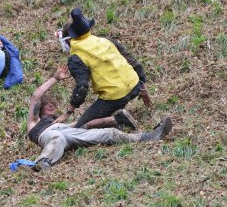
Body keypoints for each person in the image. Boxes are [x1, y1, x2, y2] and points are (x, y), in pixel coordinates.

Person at [26, 65, 172, 171]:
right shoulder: (35, 123)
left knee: (109, 133)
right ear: (41, 109)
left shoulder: (59, 123)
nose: (52, 107)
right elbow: (36, 96)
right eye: (48, 105)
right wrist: (55, 78)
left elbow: (84, 124)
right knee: (58, 138)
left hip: (68, 132)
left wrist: (111, 118)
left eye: (53, 105)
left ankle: (150, 136)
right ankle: (42, 162)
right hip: (52, 135)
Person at [54, 8, 153, 130]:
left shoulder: (76, 58)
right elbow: (131, 60)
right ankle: (117, 114)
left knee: (81, 128)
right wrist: (142, 85)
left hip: (116, 96)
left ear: (69, 39)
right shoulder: (106, 41)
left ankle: (119, 120)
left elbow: (82, 88)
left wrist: (68, 111)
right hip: (135, 85)